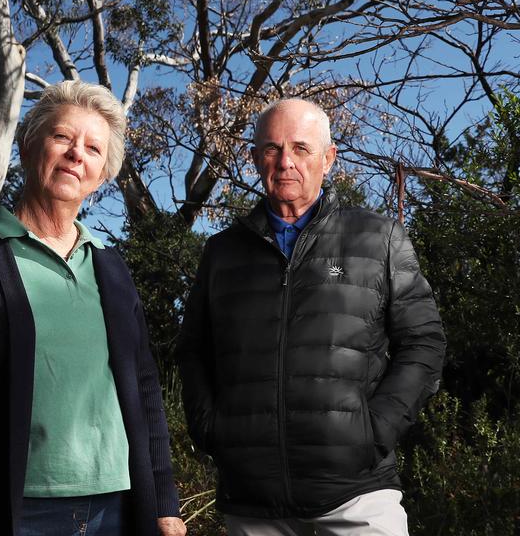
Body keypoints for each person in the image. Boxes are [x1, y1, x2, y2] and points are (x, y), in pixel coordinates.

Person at [0, 81, 186, 536]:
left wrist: (164, 502)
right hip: (13, 513)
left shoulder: (112, 268)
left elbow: (144, 386)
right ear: (28, 144)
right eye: (63, 137)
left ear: (102, 173)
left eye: (93, 148)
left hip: (115, 510)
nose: (77, 154)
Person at [176, 98, 445, 536]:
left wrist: (373, 432)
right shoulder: (222, 252)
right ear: (254, 158)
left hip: (358, 496)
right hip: (253, 503)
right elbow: (192, 350)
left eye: (301, 148)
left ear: (328, 158)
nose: (286, 162)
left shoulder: (380, 238)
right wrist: (211, 429)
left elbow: (425, 342)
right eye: (271, 149)